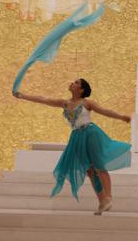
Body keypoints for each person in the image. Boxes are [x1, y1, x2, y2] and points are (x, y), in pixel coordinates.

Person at [14, 78, 131, 214]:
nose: (72, 83)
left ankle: (108, 196)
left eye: (76, 83)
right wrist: (22, 95)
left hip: (91, 134)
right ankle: (102, 201)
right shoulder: (64, 103)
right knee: (89, 170)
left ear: (81, 90)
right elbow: (43, 99)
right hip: (77, 137)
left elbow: (104, 111)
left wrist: (121, 117)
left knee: (99, 166)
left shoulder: (87, 103)